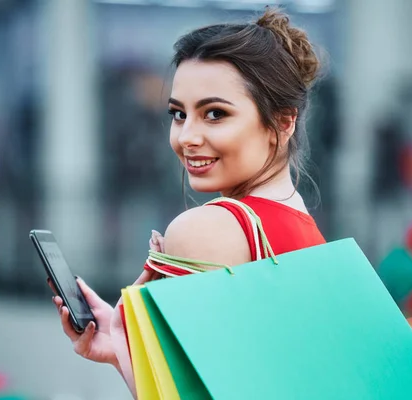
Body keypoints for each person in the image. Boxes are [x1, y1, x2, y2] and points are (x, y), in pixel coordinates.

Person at [50, 7, 326, 398]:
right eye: (178, 114)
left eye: (215, 114)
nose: (186, 137)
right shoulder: (303, 225)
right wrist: (124, 350)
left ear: (283, 122)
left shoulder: (206, 230)